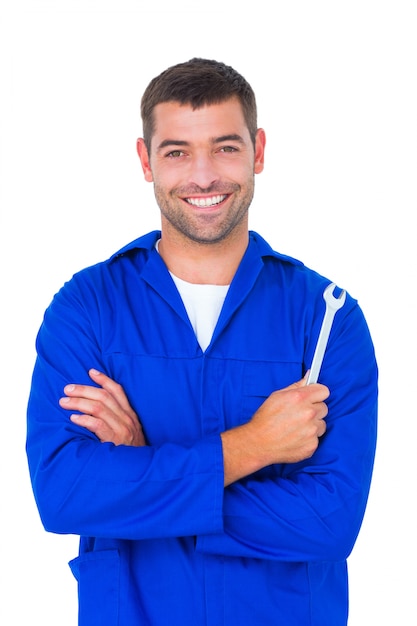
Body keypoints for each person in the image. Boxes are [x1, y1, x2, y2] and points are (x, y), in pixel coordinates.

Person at [26, 58, 378, 626]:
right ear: (146, 161)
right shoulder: (88, 308)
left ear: (258, 151)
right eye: (177, 152)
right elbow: (66, 492)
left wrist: (144, 469)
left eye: (226, 147)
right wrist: (253, 447)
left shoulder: (326, 318)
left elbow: (329, 520)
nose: (204, 175)